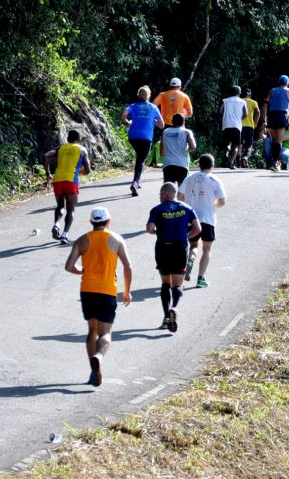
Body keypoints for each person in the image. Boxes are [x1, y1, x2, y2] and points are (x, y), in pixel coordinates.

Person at [64, 207, 133, 386]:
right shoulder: (116, 240)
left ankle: (94, 371)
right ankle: (99, 356)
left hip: (87, 291)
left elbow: (69, 266)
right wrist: (126, 291)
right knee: (105, 332)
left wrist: (82, 271)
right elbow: (128, 267)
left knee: (92, 331)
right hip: (107, 290)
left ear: (91, 222)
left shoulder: (82, 240)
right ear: (108, 222)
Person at [146, 182, 201, 332]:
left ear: (165, 194)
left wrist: (159, 232)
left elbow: (149, 229)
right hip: (180, 247)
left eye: (160, 195)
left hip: (163, 247)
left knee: (165, 283)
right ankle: (174, 308)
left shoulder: (157, 209)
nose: (159, 198)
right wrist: (185, 236)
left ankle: (165, 318)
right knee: (178, 284)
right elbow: (198, 229)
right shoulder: (187, 208)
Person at [178, 155, 226, 288]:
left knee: (193, 246)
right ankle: (200, 279)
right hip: (208, 219)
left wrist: (186, 208)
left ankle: (189, 262)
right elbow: (222, 201)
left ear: (199, 165)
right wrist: (212, 205)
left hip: (191, 219)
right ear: (213, 165)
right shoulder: (215, 179)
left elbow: (179, 196)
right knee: (207, 249)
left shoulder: (189, 178)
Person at [43, 129, 92, 246]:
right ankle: (65, 235)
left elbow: (46, 155)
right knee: (70, 209)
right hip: (71, 181)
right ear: (79, 139)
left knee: (60, 206)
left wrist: (48, 173)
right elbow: (88, 170)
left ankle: (56, 224)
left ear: (68, 139)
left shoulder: (60, 148)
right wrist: (79, 172)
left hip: (58, 179)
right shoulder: (82, 150)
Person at [122, 86, 164, 196]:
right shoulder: (153, 108)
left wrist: (127, 122)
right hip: (146, 137)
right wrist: (153, 121)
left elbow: (124, 115)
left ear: (138, 94)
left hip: (133, 137)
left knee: (140, 158)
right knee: (141, 159)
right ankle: (135, 183)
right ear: (148, 95)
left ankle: (137, 181)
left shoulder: (133, 106)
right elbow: (161, 125)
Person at [262, 75, 289, 172]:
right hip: (282, 115)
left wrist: (264, 120)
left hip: (272, 114)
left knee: (274, 140)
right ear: (287, 83)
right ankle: (275, 163)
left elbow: (265, 105)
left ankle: (273, 162)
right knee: (279, 141)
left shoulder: (272, 90)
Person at [161, 114, 196, 186]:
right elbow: (193, 146)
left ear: (172, 122)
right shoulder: (187, 132)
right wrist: (186, 151)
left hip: (168, 164)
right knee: (182, 190)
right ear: (183, 122)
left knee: (169, 189)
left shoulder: (165, 132)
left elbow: (161, 151)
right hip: (182, 164)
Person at [220, 85, 248, 169]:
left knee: (227, 143)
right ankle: (230, 162)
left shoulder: (225, 101)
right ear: (239, 93)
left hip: (226, 124)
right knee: (236, 145)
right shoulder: (242, 102)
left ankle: (226, 155)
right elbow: (245, 114)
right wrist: (240, 118)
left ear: (230, 92)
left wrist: (225, 116)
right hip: (237, 125)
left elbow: (220, 111)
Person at [239, 88, 260, 168]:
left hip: (240, 125)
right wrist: (255, 122)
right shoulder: (253, 102)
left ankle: (238, 161)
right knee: (249, 146)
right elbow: (258, 112)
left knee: (239, 144)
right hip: (250, 126)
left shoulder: (239, 101)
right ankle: (245, 157)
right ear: (250, 95)